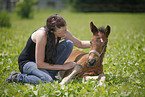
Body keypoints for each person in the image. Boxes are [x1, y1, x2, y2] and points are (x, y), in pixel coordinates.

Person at [5, 14, 90, 85]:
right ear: (52, 32)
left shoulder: (62, 32)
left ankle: (48, 75)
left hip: (46, 62)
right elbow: (40, 64)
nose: (65, 33)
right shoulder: (42, 35)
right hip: (29, 63)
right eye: (61, 32)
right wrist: (63, 67)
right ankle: (17, 77)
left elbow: (80, 44)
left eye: (65, 30)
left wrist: (99, 43)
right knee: (47, 80)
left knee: (68, 43)